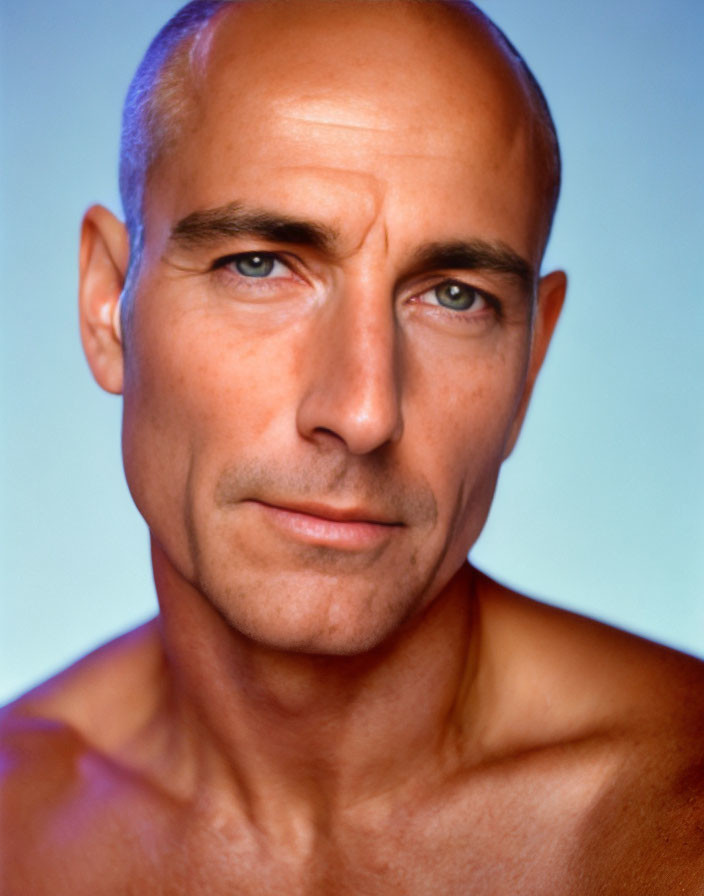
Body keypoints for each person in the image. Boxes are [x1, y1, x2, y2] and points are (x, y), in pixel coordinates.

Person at [2, 0, 703, 892]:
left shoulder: (680, 805)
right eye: (258, 264)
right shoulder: (15, 830)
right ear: (108, 304)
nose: (364, 411)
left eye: (455, 296)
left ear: (533, 358)